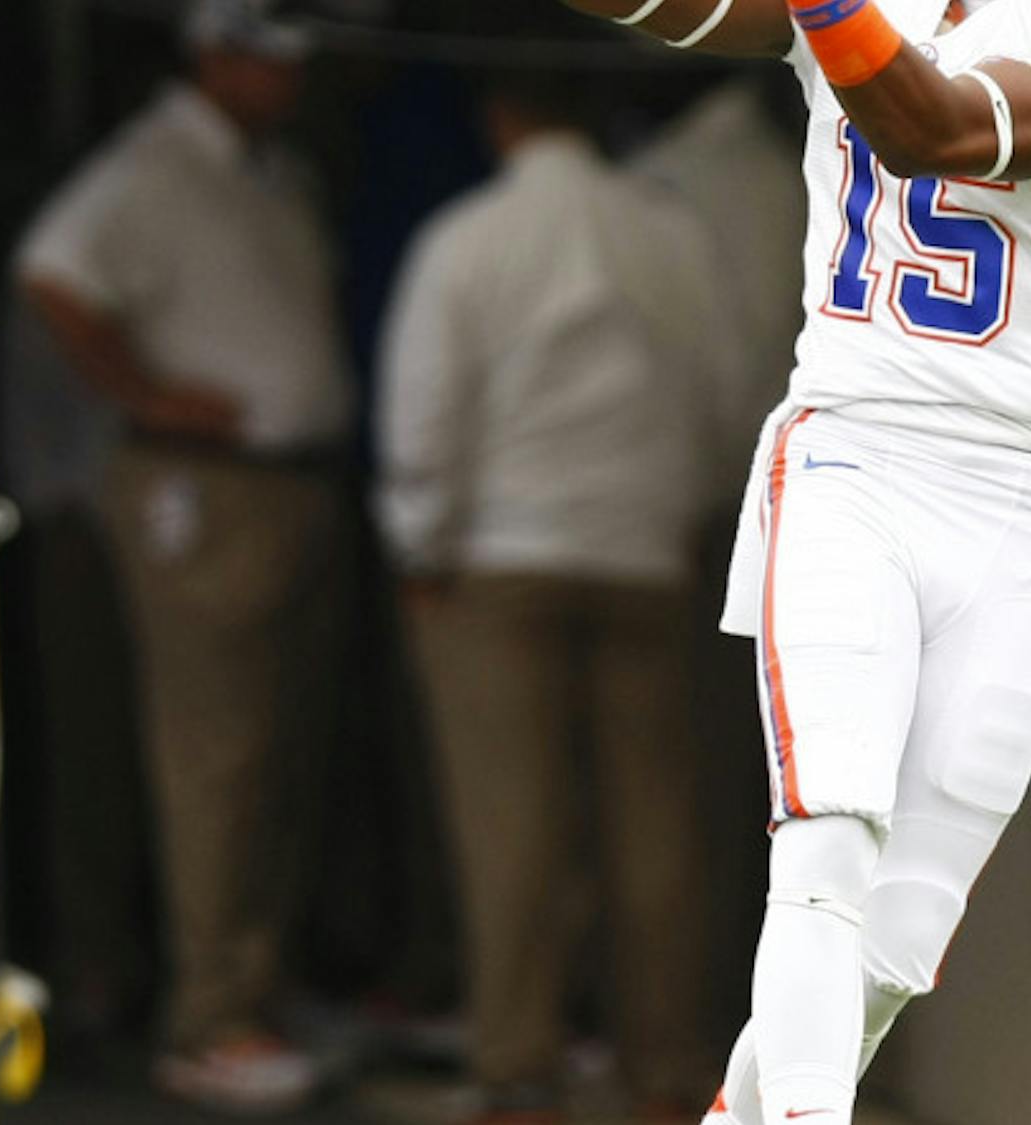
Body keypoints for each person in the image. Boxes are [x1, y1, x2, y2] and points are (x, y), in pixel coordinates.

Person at [554, 0, 1031, 1122]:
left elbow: (943, 129)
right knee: (827, 847)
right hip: (855, 454)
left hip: (1027, 490)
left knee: (900, 939)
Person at [377, 68, 742, 1119]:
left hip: (501, 554)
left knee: (512, 826)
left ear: (500, 114)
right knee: (658, 826)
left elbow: (425, 410)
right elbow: (728, 389)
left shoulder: (467, 237)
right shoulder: (676, 235)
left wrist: (419, 544)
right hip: (643, 551)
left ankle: (520, 1066)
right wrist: (681, 510)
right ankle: (663, 1070)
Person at [17, 0, 359, 1113]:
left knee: (284, 754)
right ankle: (208, 1020)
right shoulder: (153, 164)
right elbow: (52, 270)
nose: (291, 77)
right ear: (212, 54)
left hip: (290, 481)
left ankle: (257, 985)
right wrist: (147, 393)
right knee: (215, 756)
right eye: (268, 56)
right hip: (201, 486)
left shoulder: (269, 167)